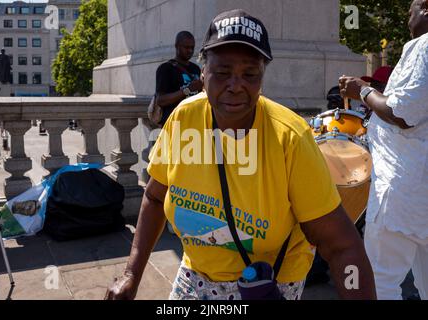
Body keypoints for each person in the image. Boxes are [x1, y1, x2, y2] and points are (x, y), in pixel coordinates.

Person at [106, 9, 376, 300]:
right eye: (222, 73)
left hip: (265, 289)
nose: (235, 86)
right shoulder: (184, 118)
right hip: (192, 280)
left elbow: (342, 247)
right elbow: (156, 196)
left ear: (262, 77)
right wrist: (131, 275)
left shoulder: (291, 139)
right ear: (203, 71)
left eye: (250, 74)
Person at [339, 0, 428, 300]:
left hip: (404, 191)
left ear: (426, 8)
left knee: (379, 281)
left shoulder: (424, 45)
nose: (407, 20)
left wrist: (361, 91)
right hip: (417, 194)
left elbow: (402, 113)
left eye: (410, 11)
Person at [155, 31, 203, 126]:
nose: (190, 51)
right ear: (177, 46)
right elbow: (161, 100)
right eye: (186, 47)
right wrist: (188, 89)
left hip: (195, 122)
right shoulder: (165, 68)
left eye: (192, 48)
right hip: (174, 123)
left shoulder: (196, 68)